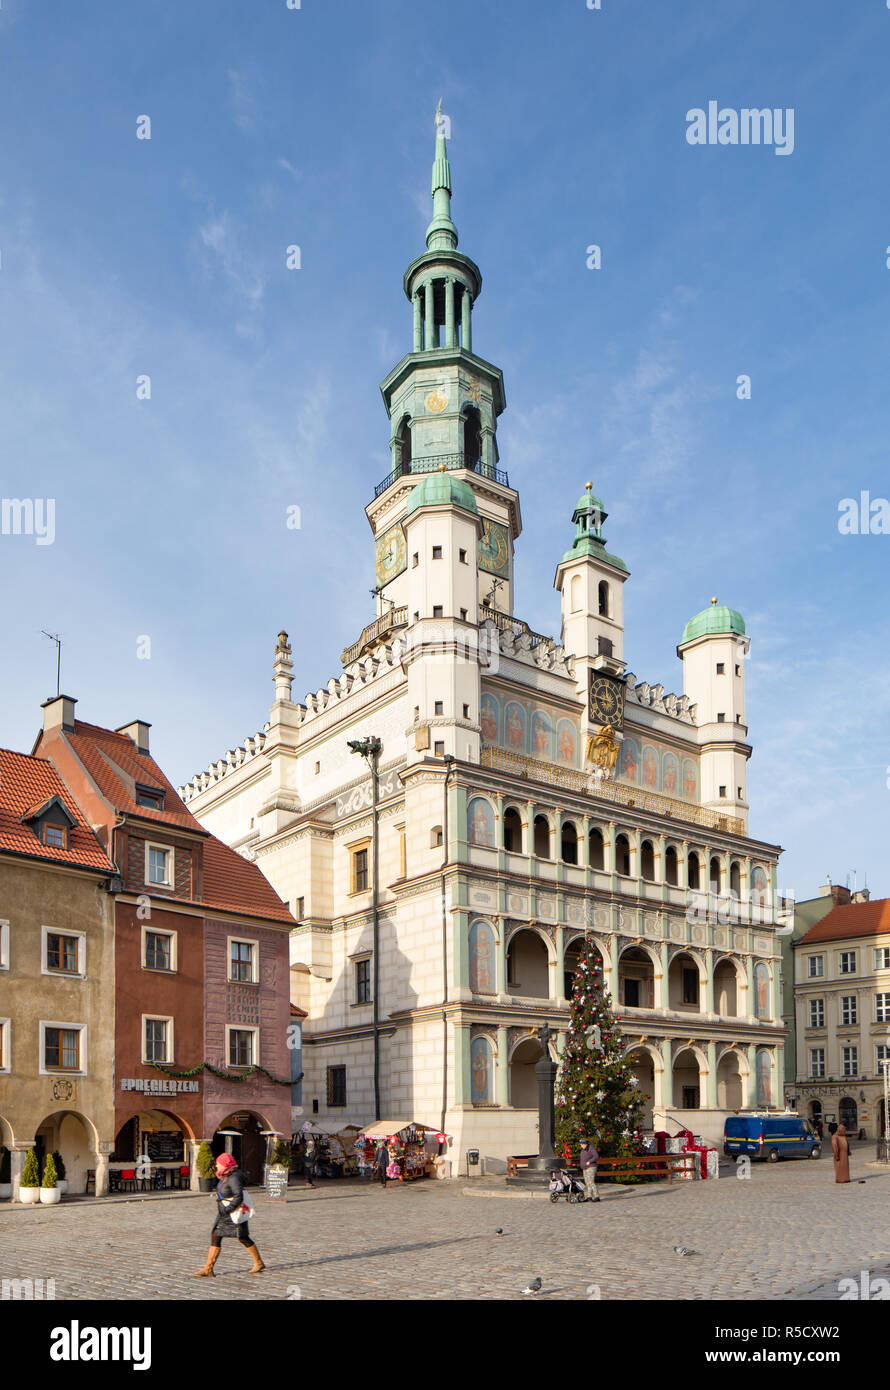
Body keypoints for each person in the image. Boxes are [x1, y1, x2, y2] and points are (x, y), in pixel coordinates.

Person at [193, 1152, 264, 1277]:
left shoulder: (234, 1177)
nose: (216, 1166)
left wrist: (229, 1209)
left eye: (218, 1164)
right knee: (215, 1235)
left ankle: (258, 1262)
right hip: (224, 1212)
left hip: (233, 1212)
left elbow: (238, 1196)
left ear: (226, 1165)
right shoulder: (227, 1175)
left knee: (242, 1237)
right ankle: (208, 1268)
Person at [579, 1138, 600, 1203]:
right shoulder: (583, 1150)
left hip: (591, 1167)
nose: (581, 1146)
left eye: (582, 1144)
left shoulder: (591, 1148)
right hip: (584, 1168)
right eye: (581, 1144)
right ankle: (589, 1196)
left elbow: (596, 1156)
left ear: (585, 1144)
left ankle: (596, 1196)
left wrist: (590, 1161)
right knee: (587, 1182)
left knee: (591, 1181)